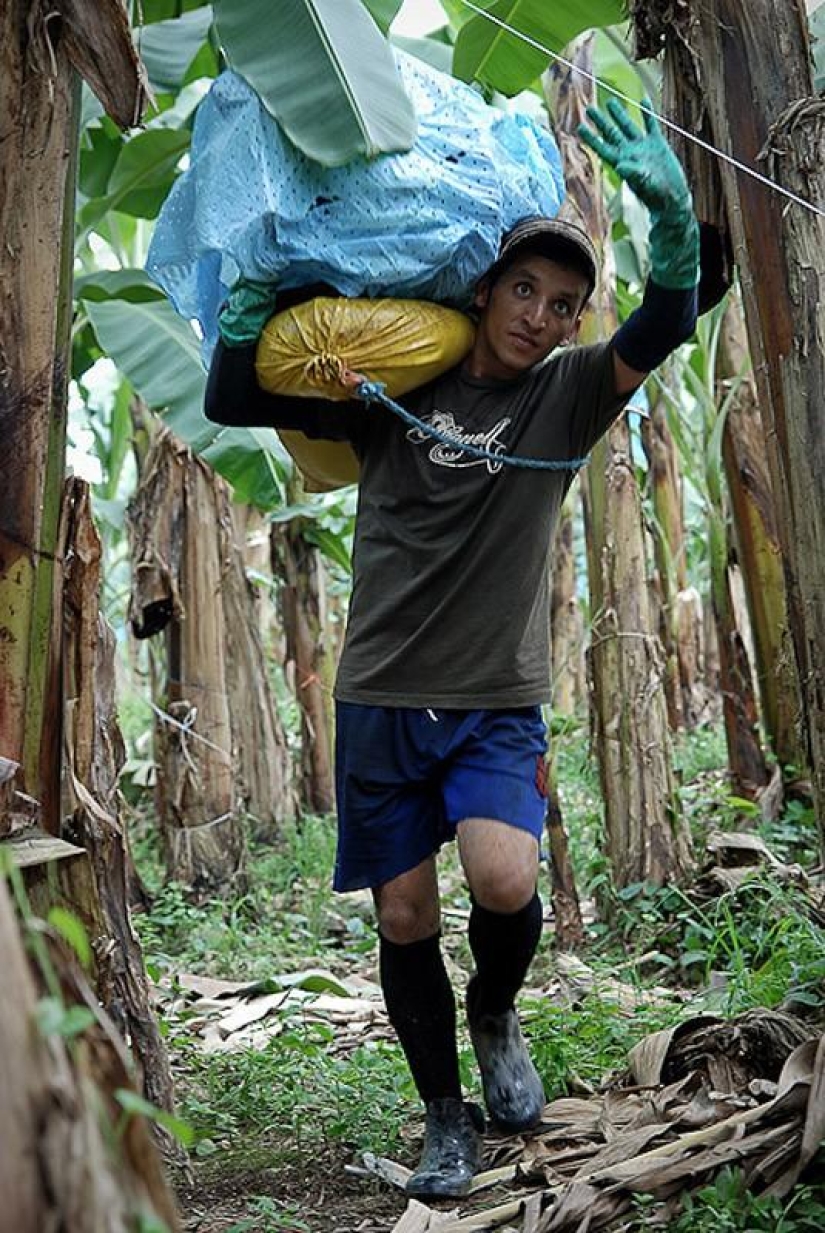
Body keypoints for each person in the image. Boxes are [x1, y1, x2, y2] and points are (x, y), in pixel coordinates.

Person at [205, 99, 703, 1198]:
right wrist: (247, 313)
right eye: (524, 290)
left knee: (504, 878)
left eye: (562, 304)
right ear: (484, 291)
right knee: (404, 912)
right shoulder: (393, 380)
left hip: (493, 696)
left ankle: (493, 1009)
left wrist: (673, 224)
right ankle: (444, 1114)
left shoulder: (568, 398)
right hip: (382, 691)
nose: (540, 316)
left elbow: (666, 322)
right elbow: (233, 401)